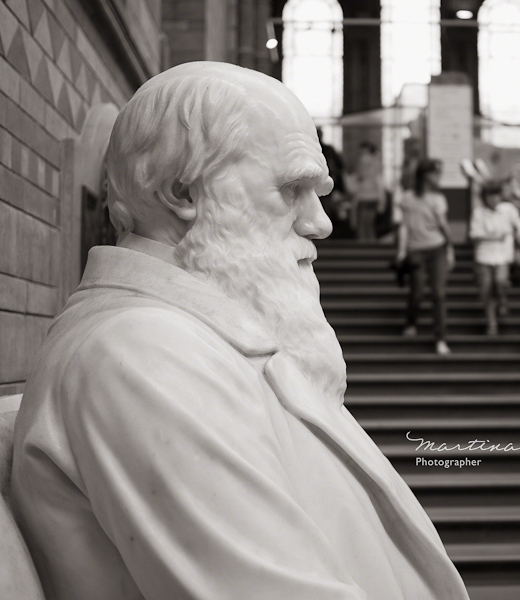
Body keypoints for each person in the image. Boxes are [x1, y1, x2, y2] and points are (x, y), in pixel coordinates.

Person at [10, 62, 469, 600]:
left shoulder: (193, 339)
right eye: (293, 188)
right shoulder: (145, 353)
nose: (320, 222)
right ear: (184, 192)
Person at [397, 159, 453, 355]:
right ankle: (411, 322)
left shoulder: (438, 199)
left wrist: (450, 250)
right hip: (416, 250)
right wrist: (401, 251)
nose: (438, 177)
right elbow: (404, 226)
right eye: (435, 173)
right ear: (424, 175)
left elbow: (444, 227)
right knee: (418, 292)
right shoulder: (408, 198)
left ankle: (441, 338)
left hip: (437, 248)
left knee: (439, 294)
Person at [469, 179, 520, 334]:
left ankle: (503, 300)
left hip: (503, 255)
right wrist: (494, 237)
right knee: (486, 288)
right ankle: (491, 323)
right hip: (484, 256)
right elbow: (474, 234)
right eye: (490, 195)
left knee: (500, 281)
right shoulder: (479, 212)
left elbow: (519, 226)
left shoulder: (508, 209)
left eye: (496, 195)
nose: (493, 199)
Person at [317, 127, 352, 239]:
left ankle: (327, 235)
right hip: (316, 185)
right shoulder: (315, 149)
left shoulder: (328, 150)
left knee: (328, 210)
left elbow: (340, 167)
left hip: (327, 185)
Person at [352, 142, 386, 241]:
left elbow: (378, 184)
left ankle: (368, 250)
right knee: (364, 228)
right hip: (365, 198)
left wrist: (381, 201)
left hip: (369, 198)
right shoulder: (366, 171)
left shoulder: (373, 169)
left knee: (366, 227)